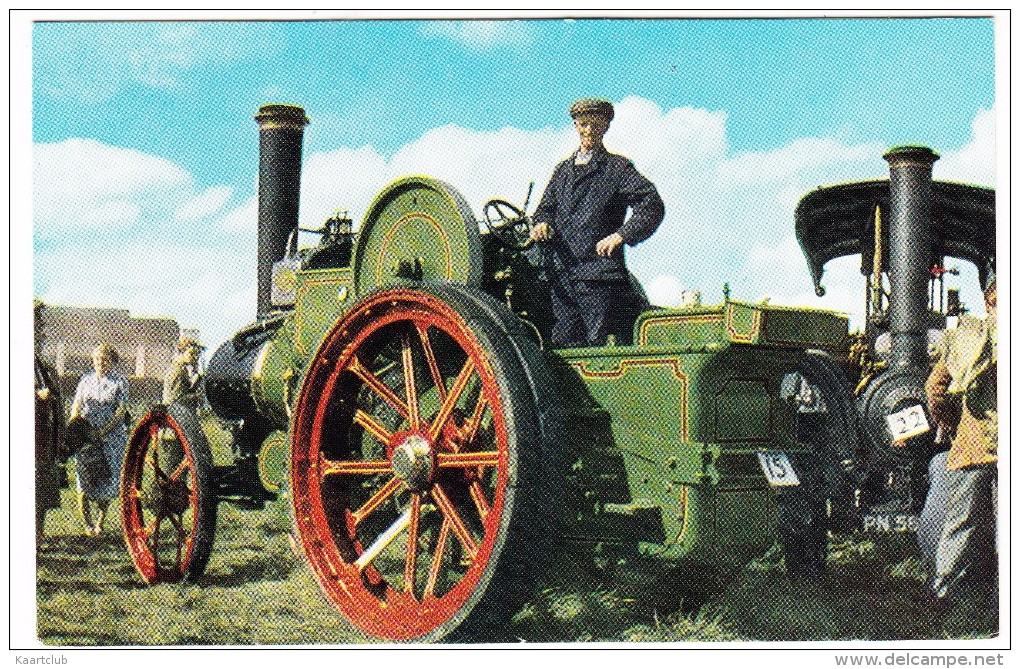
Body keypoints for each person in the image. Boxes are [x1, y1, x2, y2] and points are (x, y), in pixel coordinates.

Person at [530, 97, 665, 348]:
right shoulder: (562, 171)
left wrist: (621, 235)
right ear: (575, 126)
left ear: (605, 127)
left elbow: (652, 204)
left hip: (598, 277)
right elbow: (544, 209)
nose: (588, 131)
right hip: (561, 275)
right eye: (583, 124)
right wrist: (541, 224)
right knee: (562, 346)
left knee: (596, 347)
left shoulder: (617, 168)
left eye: (595, 125)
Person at [924, 276, 997, 603]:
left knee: (960, 527)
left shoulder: (965, 339)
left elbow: (934, 391)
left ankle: (944, 594)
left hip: (972, 449)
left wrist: (957, 427)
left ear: (987, 302)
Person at [69, 343, 130, 536]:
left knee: (107, 480)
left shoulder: (120, 382)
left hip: (111, 438)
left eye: (104, 359)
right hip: (86, 437)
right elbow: (76, 406)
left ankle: (100, 523)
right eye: (96, 359)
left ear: (111, 361)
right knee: (83, 479)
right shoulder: (85, 380)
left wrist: (104, 431)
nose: (100, 363)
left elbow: (121, 411)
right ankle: (87, 523)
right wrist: (75, 428)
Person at [163, 336, 204, 409]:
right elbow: (176, 399)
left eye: (197, 354)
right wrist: (197, 397)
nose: (195, 357)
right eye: (191, 353)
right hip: (175, 413)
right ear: (182, 352)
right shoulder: (177, 370)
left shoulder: (185, 369)